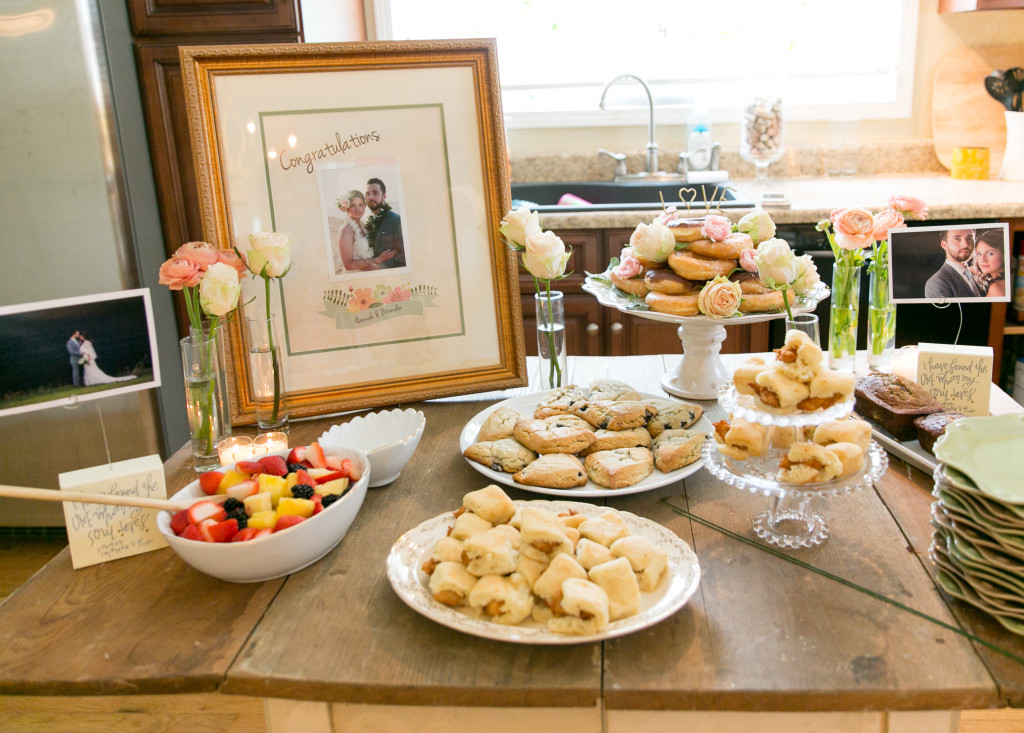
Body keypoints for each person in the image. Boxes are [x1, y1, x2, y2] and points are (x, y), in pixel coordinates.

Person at [336, 190, 395, 272]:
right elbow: (348, 265)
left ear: (365, 207)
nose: (357, 209)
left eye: (360, 205)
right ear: (346, 208)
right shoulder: (346, 230)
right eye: (353, 205)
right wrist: (378, 260)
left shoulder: (365, 226)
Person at [923, 228, 981, 299]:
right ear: (944, 245)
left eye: (969, 238)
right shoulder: (936, 282)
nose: (965, 244)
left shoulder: (979, 274)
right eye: (957, 239)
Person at [364, 177, 406, 268]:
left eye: (375, 193)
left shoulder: (396, 220)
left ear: (384, 196)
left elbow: (405, 256)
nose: (370, 197)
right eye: (367, 194)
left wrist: (380, 267)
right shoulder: (368, 223)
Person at [971, 229, 1006, 298]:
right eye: (979, 254)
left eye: (990, 253)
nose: (982, 260)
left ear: (1004, 254)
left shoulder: (996, 288)